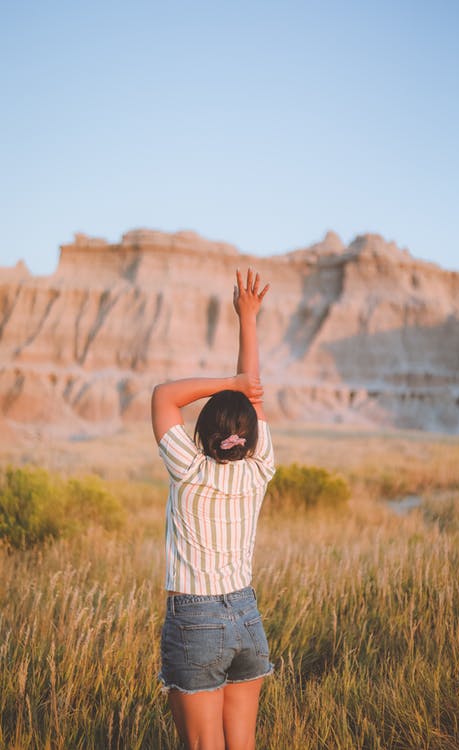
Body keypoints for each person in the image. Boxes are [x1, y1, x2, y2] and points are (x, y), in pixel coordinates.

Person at [151, 268, 275, 750]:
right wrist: (249, 321)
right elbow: (255, 393)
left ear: (201, 434)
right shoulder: (260, 467)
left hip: (195, 619)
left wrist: (232, 380)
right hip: (247, 615)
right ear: (251, 436)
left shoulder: (188, 468)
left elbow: (164, 394)